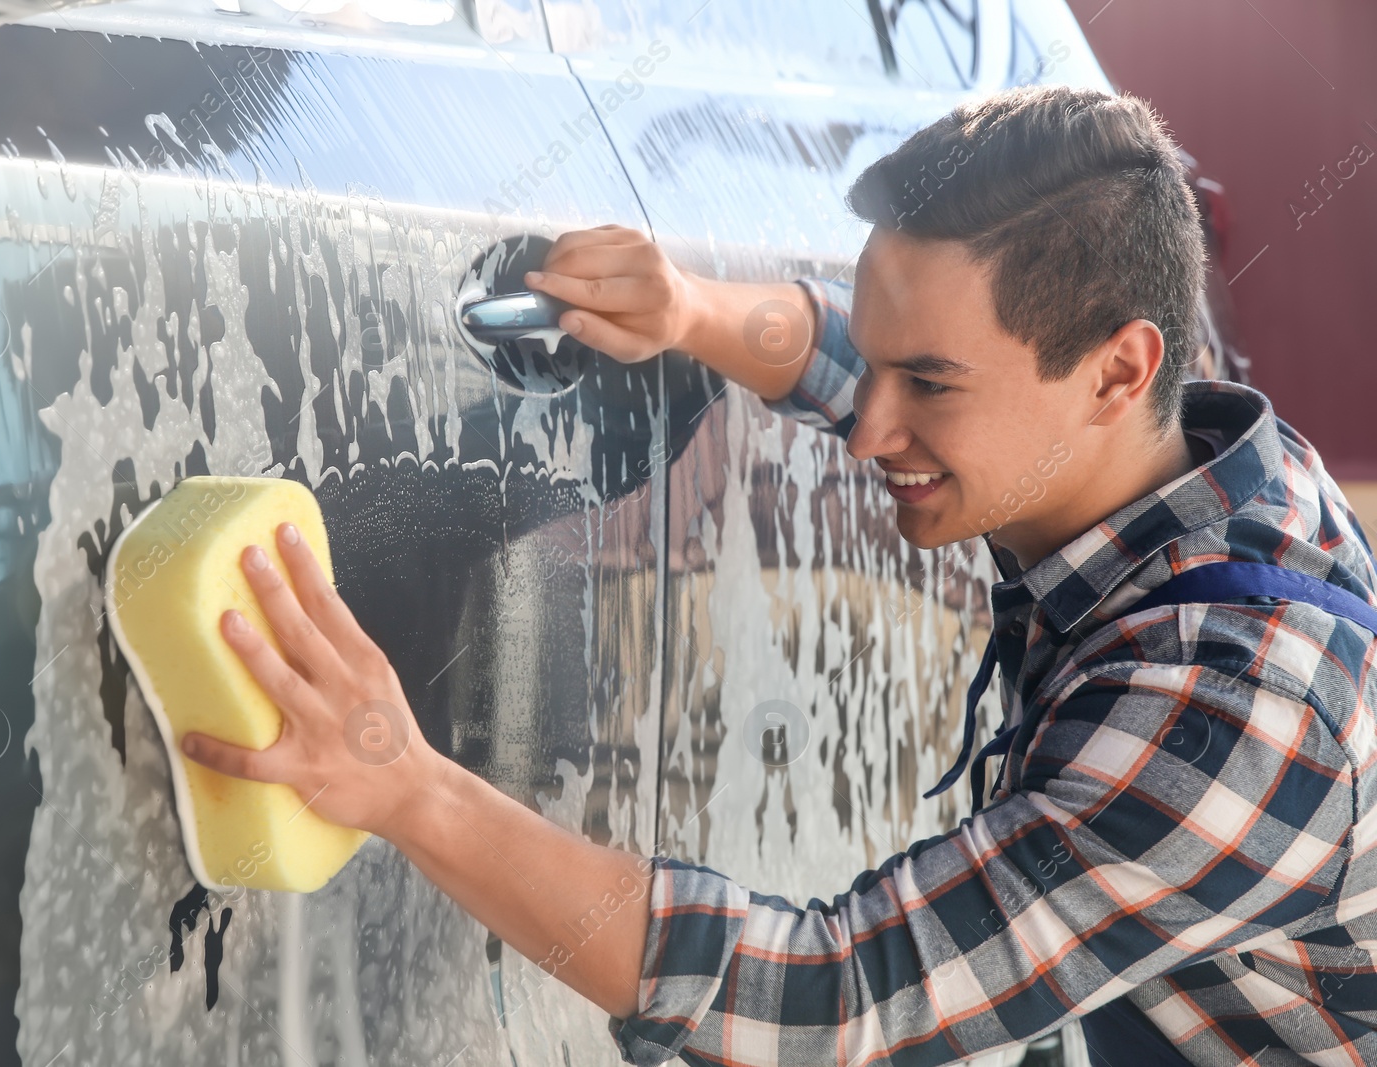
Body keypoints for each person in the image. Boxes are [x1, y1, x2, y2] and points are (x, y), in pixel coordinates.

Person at [180, 85, 1377, 1064]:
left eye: (931, 386)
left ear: (1118, 371)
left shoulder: (1236, 713)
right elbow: (865, 353)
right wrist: (693, 310)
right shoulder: (1205, 467)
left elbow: (831, 1003)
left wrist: (410, 788)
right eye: (882, 366)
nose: (868, 430)